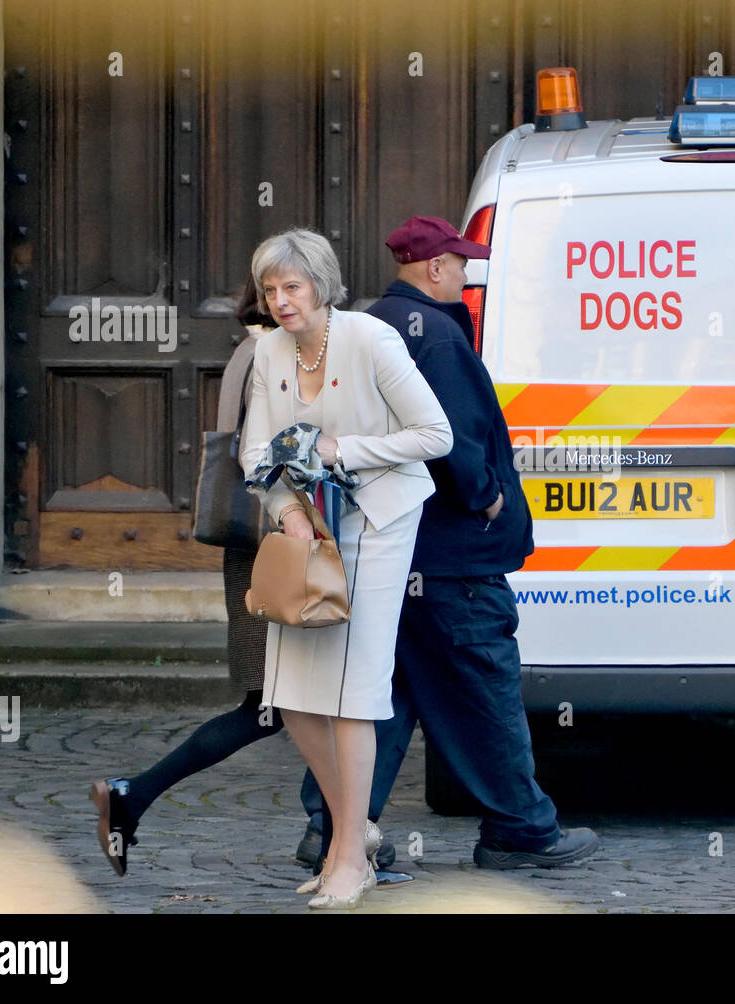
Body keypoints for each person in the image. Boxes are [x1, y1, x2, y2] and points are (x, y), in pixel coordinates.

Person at [358, 215, 599, 869]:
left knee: (386, 697)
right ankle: (521, 830)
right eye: (460, 265)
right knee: (485, 688)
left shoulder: (374, 325)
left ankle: (334, 829)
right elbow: (450, 436)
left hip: (399, 551)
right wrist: (487, 496)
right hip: (452, 555)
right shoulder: (435, 335)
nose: (465, 277)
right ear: (434, 267)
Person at [241, 228, 452, 909]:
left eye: (293, 287)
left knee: (354, 691)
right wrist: (287, 512)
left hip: (380, 521)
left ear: (321, 285)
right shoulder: (267, 350)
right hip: (308, 529)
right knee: (295, 694)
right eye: (270, 289)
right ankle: (352, 834)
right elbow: (255, 453)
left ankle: (349, 859)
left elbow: (436, 435)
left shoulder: (371, 339)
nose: (281, 301)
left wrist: (341, 450)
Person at [90, 277, 285, 877]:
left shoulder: (249, 349)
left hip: (260, 550)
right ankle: (341, 838)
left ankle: (134, 796)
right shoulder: (271, 354)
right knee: (281, 706)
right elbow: (269, 457)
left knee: (284, 707)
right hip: (277, 552)